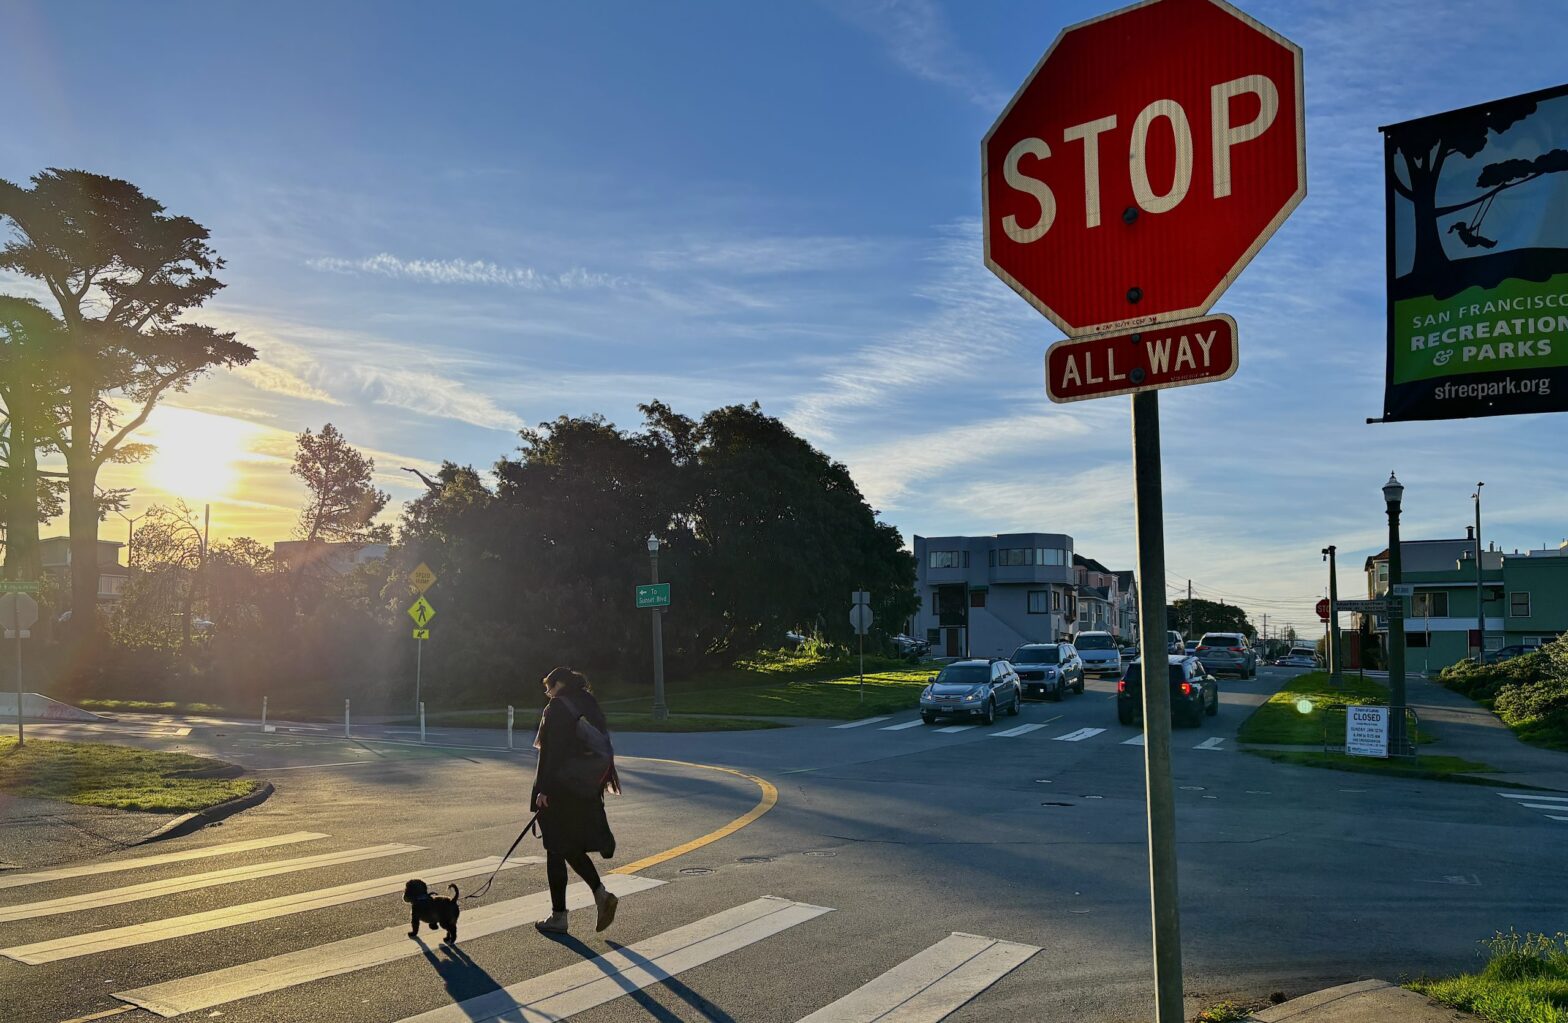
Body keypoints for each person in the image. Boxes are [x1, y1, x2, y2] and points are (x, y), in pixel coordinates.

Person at [531, 666, 620, 935]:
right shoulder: (587, 703)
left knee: (556, 848)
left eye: (549, 687)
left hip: (559, 789)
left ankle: (560, 916)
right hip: (584, 787)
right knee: (566, 846)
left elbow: (553, 752)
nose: (547, 693)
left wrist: (543, 790)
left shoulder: (558, 707)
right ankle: (600, 894)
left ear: (559, 684)